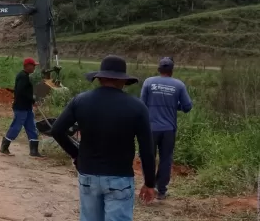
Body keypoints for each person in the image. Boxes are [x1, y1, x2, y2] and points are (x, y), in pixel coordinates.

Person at [51, 55, 156, 221]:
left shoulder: (80, 101)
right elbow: (147, 149)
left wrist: (76, 154)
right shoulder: (137, 107)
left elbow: (57, 130)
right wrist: (150, 182)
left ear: (99, 78)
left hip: (88, 175)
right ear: (122, 80)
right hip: (119, 179)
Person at [140, 57, 193, 200]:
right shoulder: (179, 85)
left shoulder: (148, 82)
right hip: (169, 129)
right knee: (166, 159)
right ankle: (161, 191)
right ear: (171, 71)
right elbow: (188, 106)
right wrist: (175, 105)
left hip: (150, 128)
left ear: (159, 69)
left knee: (148, 157)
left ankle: (149, 186)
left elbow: (142, 105)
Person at [0, 57, 43, 157]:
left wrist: (31, 101)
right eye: (33, 66)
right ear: (27, 66)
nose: (34, 68)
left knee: (31, 127)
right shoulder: (23, 76)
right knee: (16, 127)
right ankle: (4, 147)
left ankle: (34, 151)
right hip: (21, 107)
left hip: (27, 107)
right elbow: (20, 92)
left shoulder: (26, 76)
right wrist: (32, 100)